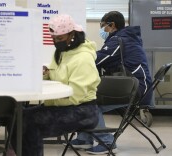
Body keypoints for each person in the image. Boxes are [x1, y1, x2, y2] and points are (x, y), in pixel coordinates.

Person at [9, 14, 101, 156]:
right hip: (60, 106)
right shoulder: (61, 52)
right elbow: (52, 73)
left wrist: (50, 98)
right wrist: (45, 74)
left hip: (83, 111)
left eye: (59, 38)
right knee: (16, 118)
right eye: (53, 38)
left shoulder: (84, 58)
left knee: (29, 123)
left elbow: (75, 95)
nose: (56, 42)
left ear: (72, 34)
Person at [66, 11, 153, 155]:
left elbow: (96, 60)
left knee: (88, 102)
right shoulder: (123, 38)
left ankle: (106, 142)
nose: (102, 30)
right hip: (132, 85)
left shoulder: (119, 40)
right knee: (87, 97)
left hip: (135, 89)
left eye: (103, 26)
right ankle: (85, 139)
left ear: (112, 25)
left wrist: (73, 62)